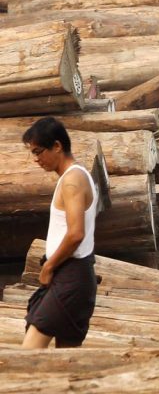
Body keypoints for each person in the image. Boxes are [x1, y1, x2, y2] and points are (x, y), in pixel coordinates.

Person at [21, 117, 99, 349]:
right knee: (66, 361)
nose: (36, 159)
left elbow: (76, 234)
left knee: (30, 351)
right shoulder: (74, 176)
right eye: (32, 153)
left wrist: (49, 266)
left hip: (71, 277)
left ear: (57, 146)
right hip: (74, 277)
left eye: (39, 151)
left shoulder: (72, 181)